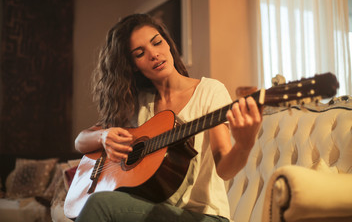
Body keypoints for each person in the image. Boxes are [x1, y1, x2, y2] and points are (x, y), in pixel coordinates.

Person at [74, 14, 262, 222]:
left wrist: (244, 144)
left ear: (168, 44)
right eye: (140, 53)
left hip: (205, 217)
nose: (154, 54)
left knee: (100, 204)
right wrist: (103, 137)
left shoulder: (210, 91)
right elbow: (80, 141)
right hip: (152, 211)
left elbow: (225, 169)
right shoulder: (139, 104)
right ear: (133, 65)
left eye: (157, 42)